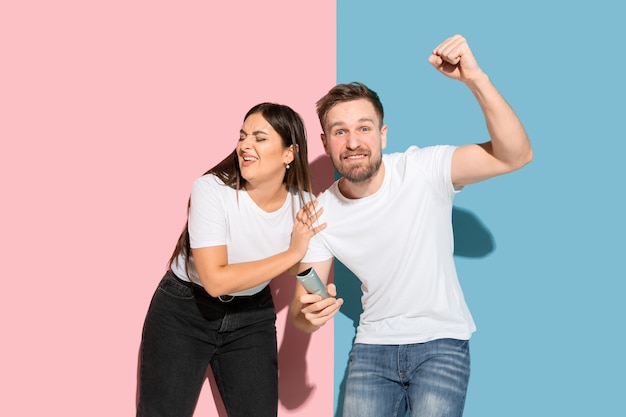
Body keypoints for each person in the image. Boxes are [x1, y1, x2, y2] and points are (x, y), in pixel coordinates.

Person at [289, 34, 533, 417]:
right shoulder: (320, 215)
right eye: (340, 131)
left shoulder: (424, 170)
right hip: (371, 348)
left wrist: (475, 79)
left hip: (442, 343)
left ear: (383, 134)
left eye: (364, 128)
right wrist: (308, 315)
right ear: (325, 142)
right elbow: (305, 309)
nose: (353, 142)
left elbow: (516, 155)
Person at [137, 102, 325, 417]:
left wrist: (321, 294)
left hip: (252, 317)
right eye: (242, 136)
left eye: (259, 138)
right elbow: (215, 280)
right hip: (184, 311)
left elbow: (301, 267)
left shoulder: (304, 204)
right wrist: (293, 251)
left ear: (288, 153)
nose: (245, 145)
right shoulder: (211, 190)